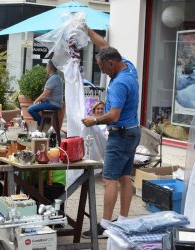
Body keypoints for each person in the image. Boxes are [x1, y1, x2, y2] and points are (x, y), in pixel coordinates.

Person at [81, 25, 141, 238]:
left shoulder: (118, 85)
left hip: (121, 134)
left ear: (111, 63)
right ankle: (123, 221)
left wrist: (93, 120)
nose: (101, 71)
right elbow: (104, 45)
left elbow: (113, 115)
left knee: (109, 179)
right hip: (133, 131)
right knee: (125, 178)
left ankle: (105, 225)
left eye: (102, 67)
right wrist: (87, 30)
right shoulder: (129, 67)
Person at [27, 60, 63, 126]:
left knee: (30, 109)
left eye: (46, 66)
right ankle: (45, 122)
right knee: (36, 106)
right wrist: (42, 100)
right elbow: (48, 94)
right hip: (55, 103)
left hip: (53, 104)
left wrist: (36, 100)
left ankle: (43, 125)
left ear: (50, 68)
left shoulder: (53, 78)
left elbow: (44, 94)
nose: (46, 68)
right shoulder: (57, 77)